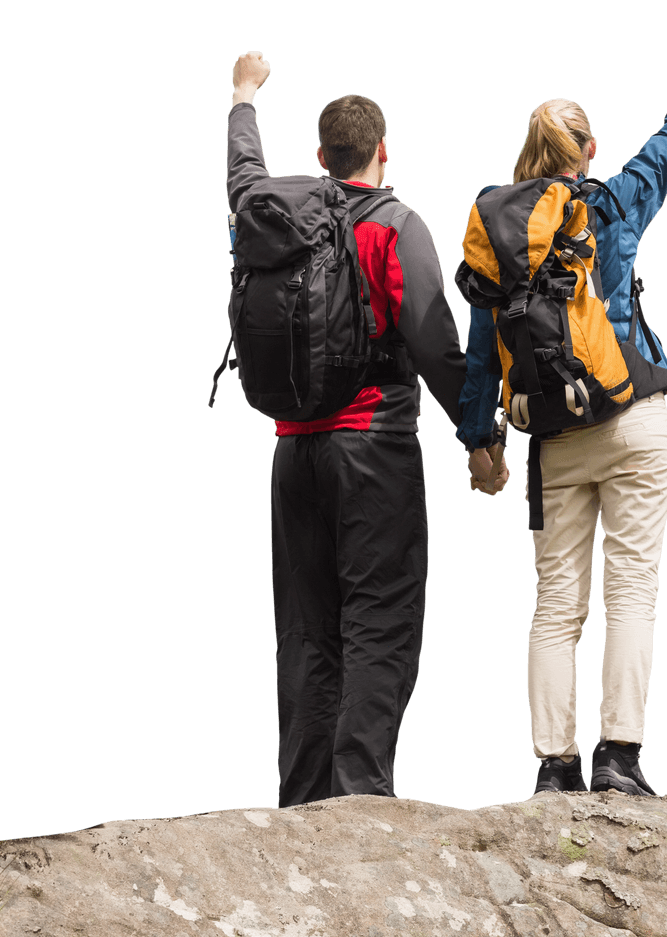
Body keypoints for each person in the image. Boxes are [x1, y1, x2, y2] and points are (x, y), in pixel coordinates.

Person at [458, 2, 667, 795]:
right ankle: (619, 759)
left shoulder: (501, 234)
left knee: (555, 605)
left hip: (554, 436)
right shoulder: (611, 203)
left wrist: (482, 443)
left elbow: (484, 349)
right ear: (588, 150)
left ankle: (553, 767)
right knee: (632, 591)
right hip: (634, 415)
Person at [227, 52, 488, 805]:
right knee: (381, 620)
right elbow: (436, 343)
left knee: (306, 632)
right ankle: (361, 800)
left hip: (290, 450)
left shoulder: (275, 216)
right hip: (373, 446)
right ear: (383, 150)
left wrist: (244, 94)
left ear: (319, 158)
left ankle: (304, 801)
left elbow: (242, 171)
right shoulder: (395, 225)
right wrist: (481, 440)